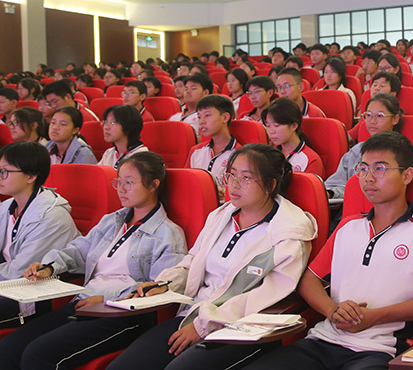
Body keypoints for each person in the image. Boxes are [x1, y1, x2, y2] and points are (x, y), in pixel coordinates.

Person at [239, 131, 413, 370]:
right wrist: (332, 310)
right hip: (322, 341)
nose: (368, 178)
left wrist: (374, 317)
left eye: (380, 169)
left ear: (407, 175)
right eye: (363, 169)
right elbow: (309, 280)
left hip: (379, 350)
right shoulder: (348, 226)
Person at [107, 145, 317, 370]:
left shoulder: (290, 232)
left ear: (270, 185)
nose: (234, 184)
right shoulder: (221, 215)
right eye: (232, 175)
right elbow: (192, 262)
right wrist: (165, 284)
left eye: (246, 178)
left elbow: (265, 296)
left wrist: (204, 326)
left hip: (238, 326)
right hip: (194, 312)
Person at [0, 152, 187, 370]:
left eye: (129, 182)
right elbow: (79, 251)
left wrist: (106, 298)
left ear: (153, 185)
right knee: (9, 348)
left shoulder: (168, 234)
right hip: (83, 303)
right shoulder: (112, 221)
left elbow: (158, 288)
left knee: (38, 355)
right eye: (118, 182)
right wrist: (49, 266)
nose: (121, 189)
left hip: (121, 314)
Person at [0, 141, 80, 327]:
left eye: (5, 172)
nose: (0, 177)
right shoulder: (6, 207)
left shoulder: (51, 216)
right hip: (7, 286)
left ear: (30, 176)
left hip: (29, 294)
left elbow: (20, 271)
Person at [325, 93, 413, 200]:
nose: (372, 121)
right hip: (351, 207)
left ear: (395, 119)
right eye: (368, 115)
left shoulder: (407, 155)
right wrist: (330, 193)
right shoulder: (356, 151)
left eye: (380, 115)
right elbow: (337, 184)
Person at [187, 95, 241, 197]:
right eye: (199, 117)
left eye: (207, 115)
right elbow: (186, 182)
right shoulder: (195, 151)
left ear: (225, 117)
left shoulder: (239, 154)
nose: (201, 121)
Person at [264, 98, 324, 176]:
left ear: (294, 126)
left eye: (276, 125)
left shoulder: (311, 160)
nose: (271, 131)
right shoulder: (269, 154)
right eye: (268, 126)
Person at [169, 73, 212, 140]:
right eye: (186, 89)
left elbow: (203, 143)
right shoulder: (174, 117)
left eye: (193, 88)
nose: (188, 91)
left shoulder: (208, 118)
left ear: (205, 93)